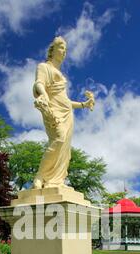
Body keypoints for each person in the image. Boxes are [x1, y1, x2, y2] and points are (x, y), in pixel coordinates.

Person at [33, 36, 94, 189]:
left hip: (67, 113)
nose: (64, 52)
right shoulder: (43, 67)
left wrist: (83, 104)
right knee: (58, 139)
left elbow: (65, 100)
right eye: (61, 48)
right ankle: (40, 177)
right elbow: (39, 83)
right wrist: (44, 94)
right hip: (52, 110)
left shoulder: (61, 75)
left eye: (66, 50)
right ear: (52, 50)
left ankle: (55, 181)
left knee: (65, 149)